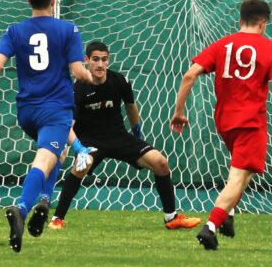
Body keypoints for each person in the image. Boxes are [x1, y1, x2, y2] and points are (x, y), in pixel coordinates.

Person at [170, 0, 272, 250]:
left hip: (225, 121)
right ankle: (211, 226)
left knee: (243, 172)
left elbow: (189, 74)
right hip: (251, 122)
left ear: (240, 20)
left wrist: (179, 111)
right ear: (263, 23)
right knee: (239, 176)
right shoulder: (271, 49)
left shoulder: (222, 45)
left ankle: (228, 215)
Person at [0, 0, 92, 253]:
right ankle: (22, 207)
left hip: (27, 111)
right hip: (55, 110)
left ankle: (44, 199)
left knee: (58, 154)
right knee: (44, 160)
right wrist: (92, 76)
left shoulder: (15, 31)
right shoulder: (68, 29)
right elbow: (78, 71)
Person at [43, 41, 201, 230]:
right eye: (95, 60)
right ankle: (57, 219)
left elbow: (130, 106)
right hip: (90, 141)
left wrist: (137, 133)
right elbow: (70, 124)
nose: (100, 64)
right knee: (79, 168)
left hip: (119, 137)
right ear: (86, 61)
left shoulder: (119, 81)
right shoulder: (78, 89)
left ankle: (171, 218)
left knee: (160, 162)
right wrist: (74, 147)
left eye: (104, 59)